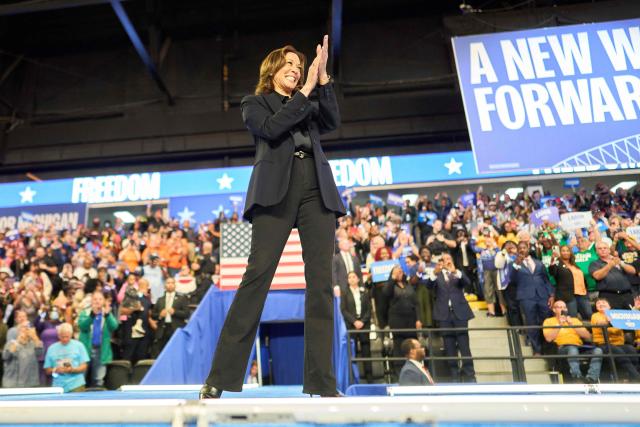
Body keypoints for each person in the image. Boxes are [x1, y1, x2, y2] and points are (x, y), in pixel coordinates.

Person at [200, 36, 345, 399]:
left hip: (317, 189)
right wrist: (306, 90)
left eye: (300, 66)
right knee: (256, 280)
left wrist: (322, 78)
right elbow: (271, 129)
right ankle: (220, 378)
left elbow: (332, 120)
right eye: (290, 65)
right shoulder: (254, 102)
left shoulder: (309, 104)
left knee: (321, 287)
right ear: (273, 70)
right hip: (274, 193)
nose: (296, 70)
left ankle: (322, 384)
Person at [426, 253, 476, 382]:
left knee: (464, 346)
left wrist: (455, 271)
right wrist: (434, 273)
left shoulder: (457, 273)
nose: (446, 261)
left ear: (452, 260)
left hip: (460, 313)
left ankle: (469, 375)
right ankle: (454, 376)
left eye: (448, 258)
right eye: (443, 260)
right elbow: (428, 287)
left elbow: (467, 282)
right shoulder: (436, 276)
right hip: (444, 315)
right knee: (449, 347)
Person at [509, 241, 555, 355]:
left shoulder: (538, 263)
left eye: (524, 247)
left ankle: (547, 349)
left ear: (528, 248)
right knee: (531, 323)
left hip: (543, 296)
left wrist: (552, 295)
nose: (522, 250)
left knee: (546, 322)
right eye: (520, 248)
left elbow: (546, 280)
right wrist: (516, 264)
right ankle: (537, 350)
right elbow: (512, 280)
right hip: (526, 297)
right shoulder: (514, 264)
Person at [542, 300, 602, 383]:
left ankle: (592, 378)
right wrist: (559, 325)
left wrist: (572, 325)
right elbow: (548, 338)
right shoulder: (548, 321)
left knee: (598, 351)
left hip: (579, 346)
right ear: (554, 310)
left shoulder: (574, 320)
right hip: (561, 348)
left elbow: (587, 336)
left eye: (564, 307)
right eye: (559, 307)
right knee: (572, 349)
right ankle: (577, 377)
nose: (562, 309)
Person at [383, 265, 422, 377]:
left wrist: (418, 319)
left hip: (411, 321)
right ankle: (399, 373)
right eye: (397, 272)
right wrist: (393, 278)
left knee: (412, 346)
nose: (399, 273)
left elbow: (416, 303)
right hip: (397, 321)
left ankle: (415, 371)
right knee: (399, 347)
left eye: (400, 271)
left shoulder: (408, 285)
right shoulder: (390, 285)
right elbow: (386, 293)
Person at [590, 298, 640, 381]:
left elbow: (630, 319)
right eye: (598, 303)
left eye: (603, 302)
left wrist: (635, 310)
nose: (601, 304)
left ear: (610, 306)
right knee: (618, 351)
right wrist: (609, 322)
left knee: (631, 349)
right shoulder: (595, 315)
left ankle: (631, 379)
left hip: (619, 343)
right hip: (603, 344)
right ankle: (636, 377)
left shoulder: (616, 315)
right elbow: (600, 324)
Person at [78, 291, 118, 388]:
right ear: (91, 301)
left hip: (101, 349)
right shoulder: (85, 312)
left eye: (100, 299)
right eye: (95, 299)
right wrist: (92, 315)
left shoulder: (107, 313)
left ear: (104, 301)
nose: (97, 301)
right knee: (81, 377)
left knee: (98, 380)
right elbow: (82, 326)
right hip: (85, 349)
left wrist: (108, 315)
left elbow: (114, 326)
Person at [340, 271, 372, 383]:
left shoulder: (365, 292)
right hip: (352, 326)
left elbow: (369, 310)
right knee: (352, 352)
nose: (352, 279)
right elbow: (343, 310)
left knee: (366, 351)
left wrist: (362, 321)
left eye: (354, 277)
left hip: (364, 325)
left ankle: (369, 378)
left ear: (358, 279)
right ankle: (353, 378)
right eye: (349, 277)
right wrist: (354, 321)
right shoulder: (344, 293)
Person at [548, 245, 591, 319]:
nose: (566, 253)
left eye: (567, 251)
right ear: (560, 253)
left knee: (588, 315)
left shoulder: (575, 265)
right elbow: (552, 271)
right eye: (563, 251)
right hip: (568, 296)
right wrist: (553, 259)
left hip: (582, 294)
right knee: (572, 318)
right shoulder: (558, 264)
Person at [44, 323, 90, 392]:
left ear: (71, 335)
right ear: (58, 336)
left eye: (67, 336)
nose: (65, 339)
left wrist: (72, 370)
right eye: (62, 337)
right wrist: (56, 370)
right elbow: (47, 369)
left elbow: (84, 366)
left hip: (76, 385)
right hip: (58, 386)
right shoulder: (51, 348)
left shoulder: (79, 345)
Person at [589, 241, 635, 309]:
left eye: (605, 248)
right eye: (600, 248)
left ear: (609, 250)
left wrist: (621, 263)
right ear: (596, 252)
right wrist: (610, 265)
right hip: (608, 295)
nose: (603, 250)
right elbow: (597, 276)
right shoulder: (594, 264)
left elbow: (633, 271)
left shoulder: (617, 260)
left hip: (626, 295)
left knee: (630, 318)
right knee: (611, 319)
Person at [150, 277, 189, 358]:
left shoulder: (182, 298)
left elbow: (187, 314)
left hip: (176, 329)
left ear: (175, 285)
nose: (170, 285)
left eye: (172, 283)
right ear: (165, 285)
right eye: (168, 283)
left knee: (176, 353)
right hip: (162, 330)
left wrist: (175, 312)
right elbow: (153, 315)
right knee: (162, 353)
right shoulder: (160, 299)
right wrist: (160, 315)